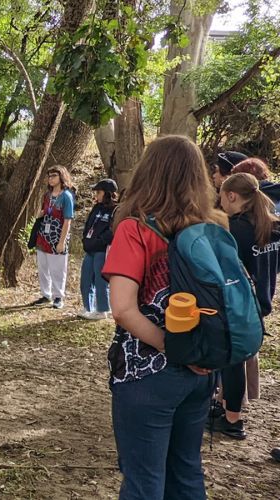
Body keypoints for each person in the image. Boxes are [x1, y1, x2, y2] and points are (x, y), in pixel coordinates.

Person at [102, 135, 221, 499]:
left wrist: (171, 347)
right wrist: (194, 354)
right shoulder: (215, 228)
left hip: (147, 372)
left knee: (144, 480)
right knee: (186, 472)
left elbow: (122, 308)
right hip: (201, 371)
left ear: (147, 173)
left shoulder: (135, 229)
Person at [209, 172, 280, 440]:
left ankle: (233, 419)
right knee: (237, 358)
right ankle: (228, 408)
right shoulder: (273, 226)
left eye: (221, 197)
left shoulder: (235, 228)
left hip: (237, 302)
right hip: (262, 300)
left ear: (231, 196)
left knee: (232, 361)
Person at [31, 165, 75, 309]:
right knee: (43, 266)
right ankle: (46, 294)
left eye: (54, 176)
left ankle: (58, 296)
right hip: (44, 234)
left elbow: (68, 220)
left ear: (61, 177)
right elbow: (46, 210)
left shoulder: (66, 196)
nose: (50, 179)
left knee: (57, 268)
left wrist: (62, 242)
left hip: (57, 236)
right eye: (49, 176)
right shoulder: (47, 195)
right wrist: (41, 213)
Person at [79, 178, 117, 320]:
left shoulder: (115, 210)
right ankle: (87, 307)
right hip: (90, 249)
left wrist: (99, 242)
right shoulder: (96, 207)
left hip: (102, 250)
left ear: (108, 193)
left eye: (99, 192)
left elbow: (112, 231)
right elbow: (88, 225)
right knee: (86, 278)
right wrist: (85, 240)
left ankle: (102, 310)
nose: (96, 195)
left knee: (101, 281)